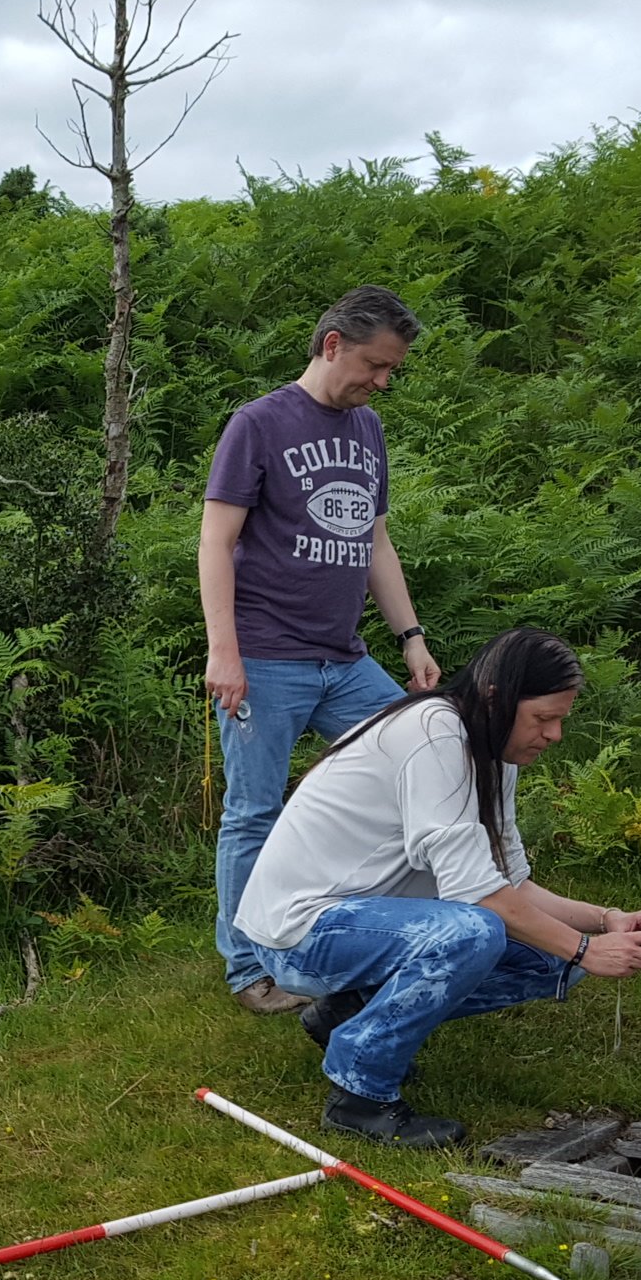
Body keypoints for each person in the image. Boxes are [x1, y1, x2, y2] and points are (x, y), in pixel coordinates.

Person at [231, 628, 641, 1149]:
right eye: (543, 718)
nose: (554, 735)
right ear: (496, 698)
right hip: (299, 932)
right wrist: (586, 949)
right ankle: (360, 1097)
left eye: (560, 720)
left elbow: (511, 885)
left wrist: (605, 922)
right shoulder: (434, 735)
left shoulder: (490, 749)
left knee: (552, 960)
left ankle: (350, 1013)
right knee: (475, 932)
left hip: (369, 920)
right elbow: (481, 898)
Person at [201, 285, 443, 1015]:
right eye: (375, 365)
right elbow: (217, 540)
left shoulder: (367, 429)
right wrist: (225, 652)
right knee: (254, 812)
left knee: (424, 767)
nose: (382, 382)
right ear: (332, 344)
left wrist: (410, 638)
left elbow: (374, 540)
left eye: (392, 370)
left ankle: (378, 932)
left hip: (345, 661)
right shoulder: (259, 424)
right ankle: (249, 970)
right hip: (266, 658)